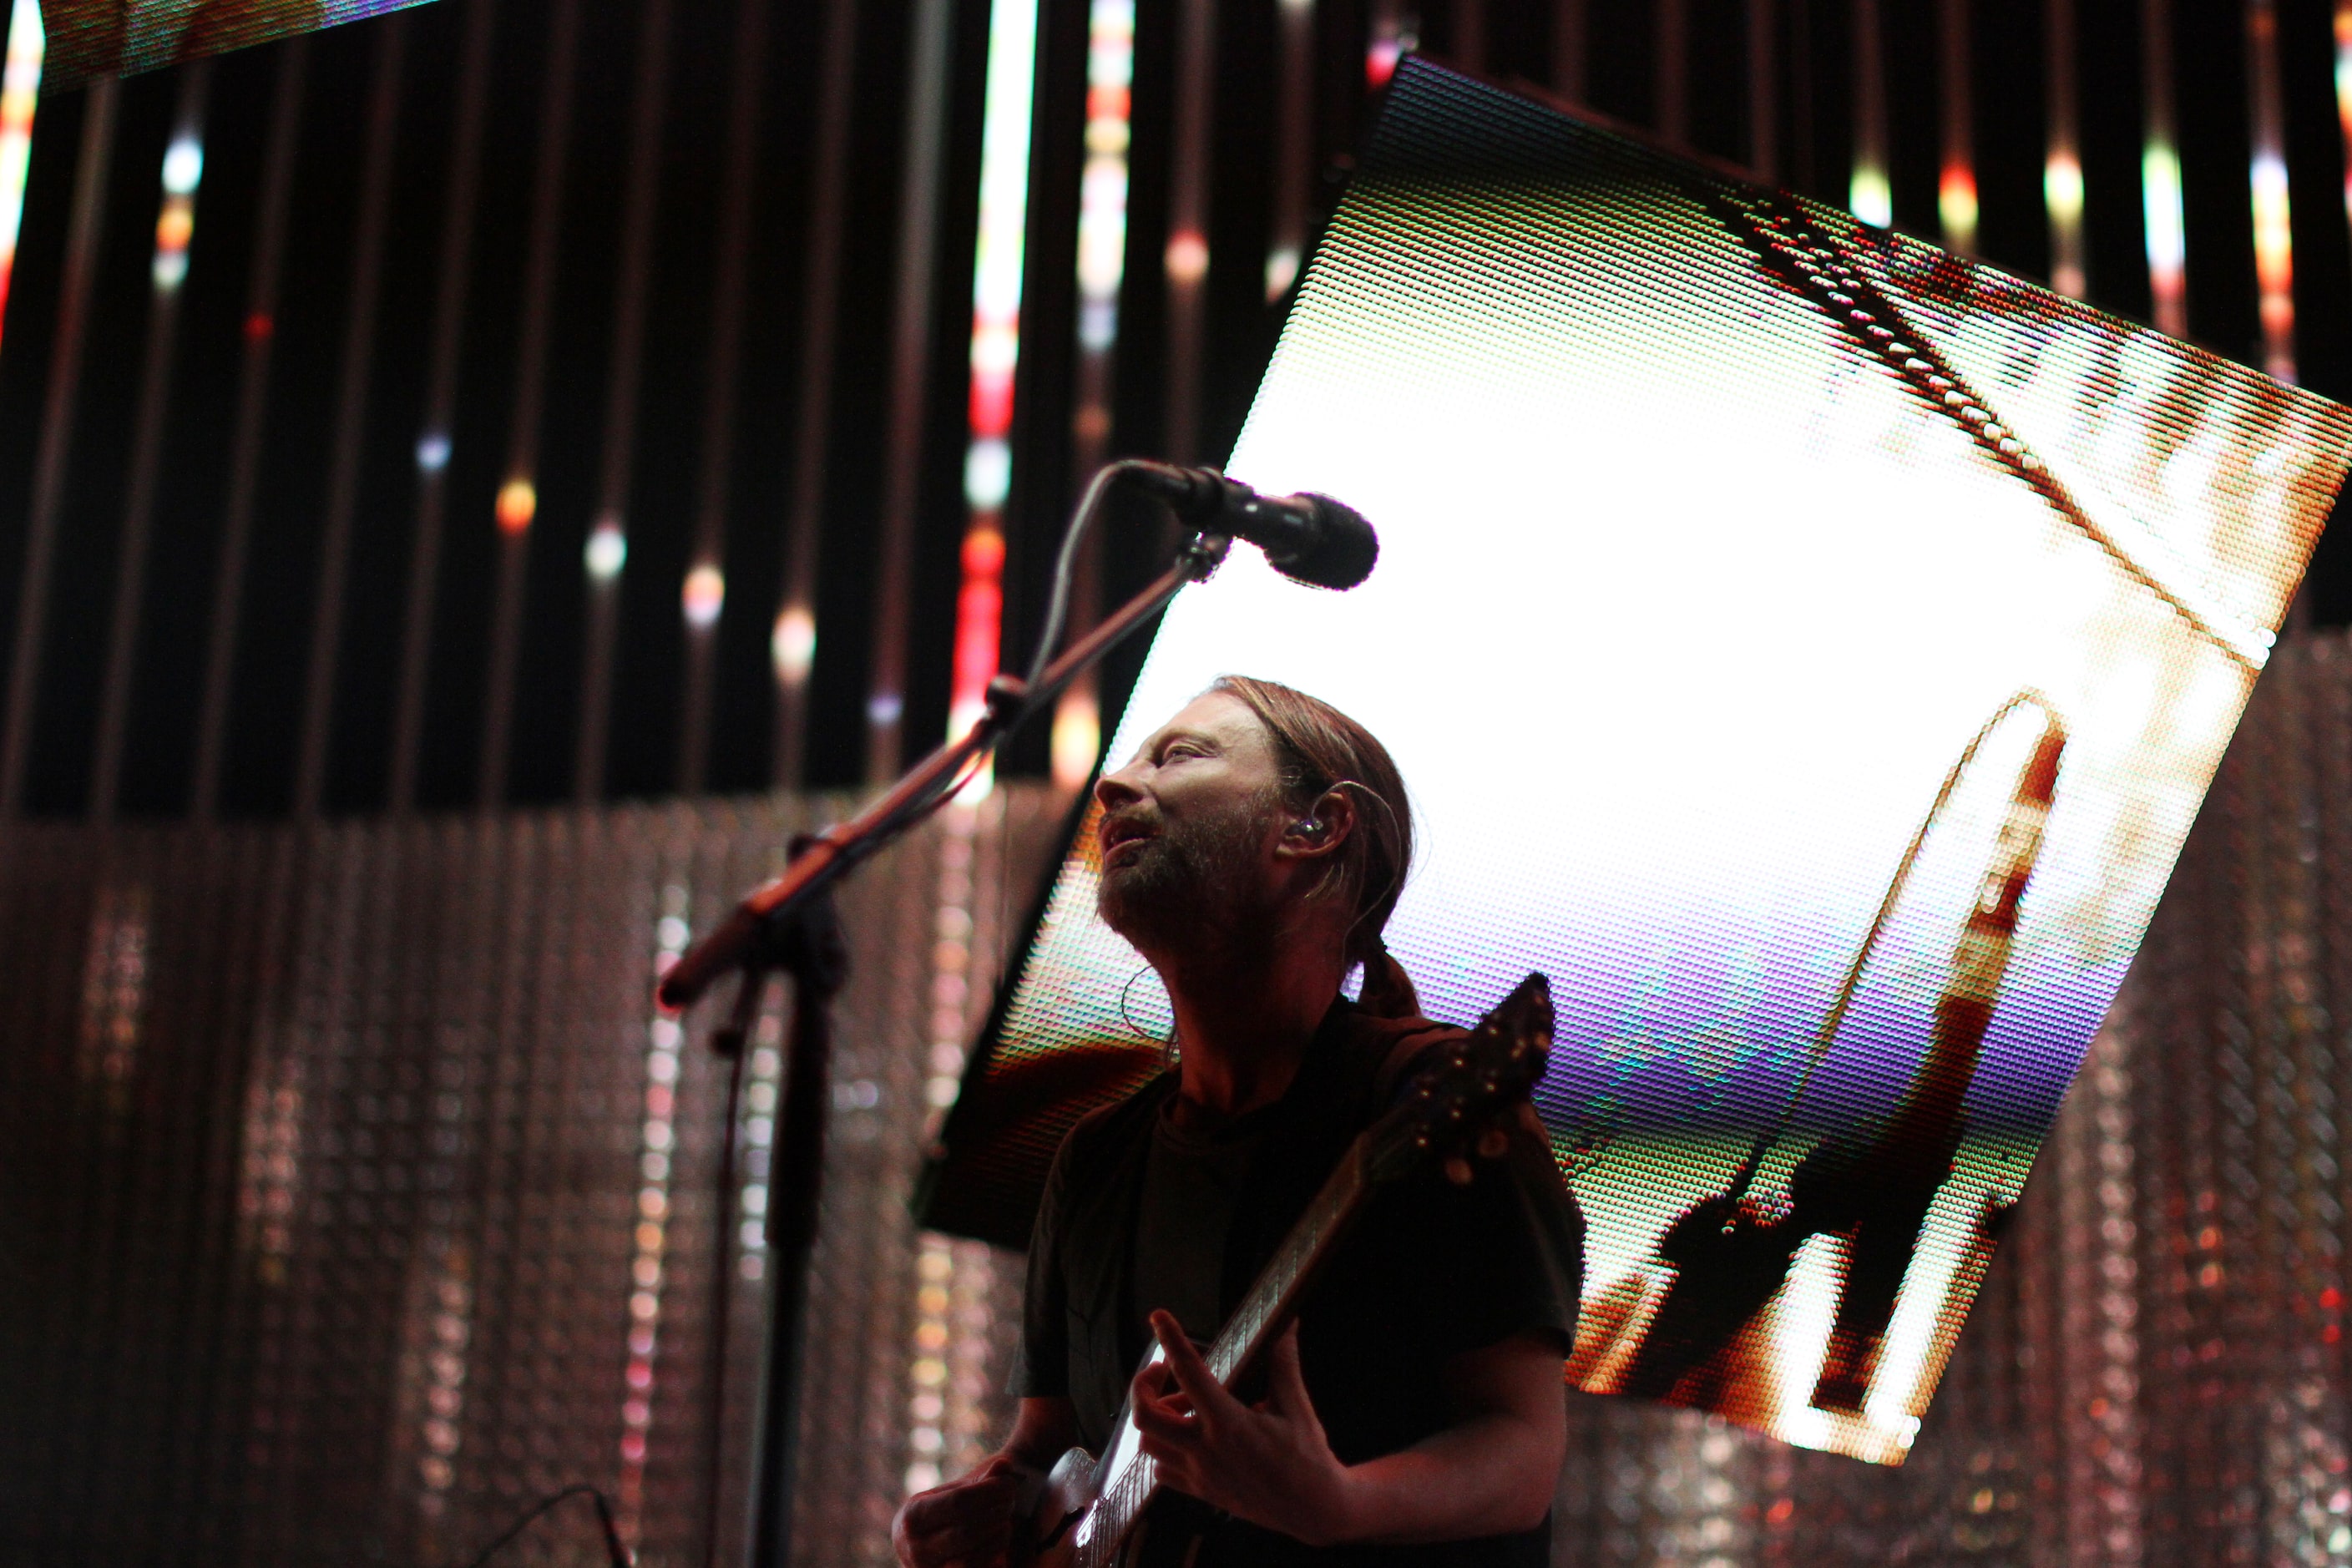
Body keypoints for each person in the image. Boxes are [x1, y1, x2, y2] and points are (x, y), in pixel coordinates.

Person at [894, 676, 1584, 1566]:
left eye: (1180, 755)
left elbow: (1522, 1452)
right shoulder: (1095, 1160)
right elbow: (1045, 1452)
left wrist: (1338, 1504)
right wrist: (963, 1524)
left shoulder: (1425, 1099)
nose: (1114, 785)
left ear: (1316, 826)